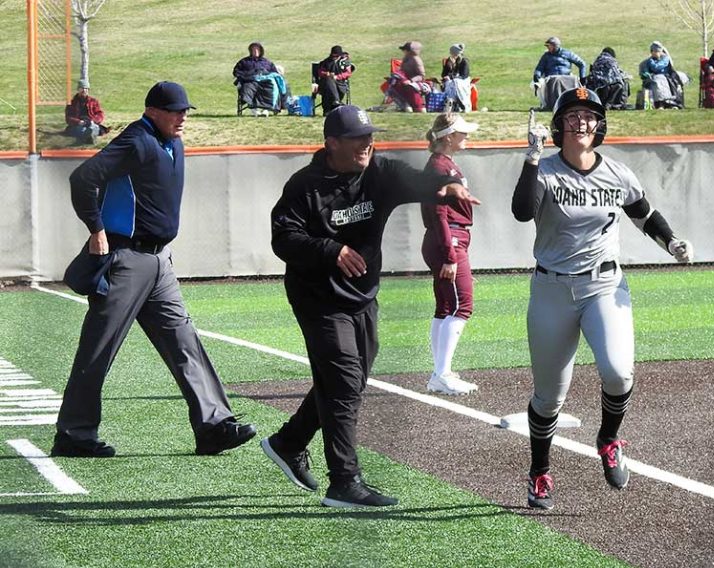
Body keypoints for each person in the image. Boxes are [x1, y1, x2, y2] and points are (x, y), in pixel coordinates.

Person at [263, 105, 480, 508]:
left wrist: (446, 185)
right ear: (332, 143)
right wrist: (330, 249)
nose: (367, 144)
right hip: (317, 298)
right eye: (357, 139)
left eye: (369, 137)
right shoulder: (304, 186)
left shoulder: (380, 173)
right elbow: (283, 239)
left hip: (362, 296)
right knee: (344, 381)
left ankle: (288, 442)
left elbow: (420, 180)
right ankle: (343, 481)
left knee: (348, 379)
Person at [51, 81, 257, 458]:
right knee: (99, 348)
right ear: (153, 111)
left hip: (160, 263)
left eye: (185, 111)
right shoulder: (136, 141)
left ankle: (213, 426)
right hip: (126, 260)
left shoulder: (171, 142)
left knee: (184, 340)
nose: (182, 118)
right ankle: (74, 434)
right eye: (176, 111)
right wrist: (96, 229)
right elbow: (83, 178)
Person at [511, 87, 693, 510]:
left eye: (589, 115)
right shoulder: (545, 170)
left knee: (618, 373)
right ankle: (539, 472)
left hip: (604, 285)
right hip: (552, 288)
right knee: (548, 397)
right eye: (573, 115)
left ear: (600, 125)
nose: (582, 122)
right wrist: (531, 157)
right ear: (560, 125)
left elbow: (643, 212)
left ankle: (609, 439)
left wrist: (671, 242)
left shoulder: (617, 172)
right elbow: (522, 211)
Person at [421, 113, 481, 396]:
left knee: (446, 306)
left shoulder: (443, 165)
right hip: (449, 239)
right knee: (461, 306)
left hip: (451, 239)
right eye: (462, 133)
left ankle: (440, 372)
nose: (466, 136)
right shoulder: (439, 168)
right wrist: (449, 255)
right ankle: (441, 373)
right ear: (448, 137)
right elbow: (439, 213)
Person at [532, 37, 587, 111]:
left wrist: (582, 77)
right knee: (556, 79)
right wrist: (536, 75)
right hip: (552, 78)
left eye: (549, 46)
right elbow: (539, 68)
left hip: (566, 76)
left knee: (573, 80)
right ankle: (553, 104)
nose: (548, 48)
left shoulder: (567, 54)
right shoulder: (546, 56)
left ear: (555, 46)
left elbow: (582, 64)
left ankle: (573, 103)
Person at [233, 42, 287, 115]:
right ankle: (254, 108)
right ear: (250, 51)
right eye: (254, 50)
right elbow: (236, 72)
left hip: (265, 81)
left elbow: (274, 73)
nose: (256, 51)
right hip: (250, 80)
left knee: (270, 87)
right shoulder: (244, 62)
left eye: (257, 50)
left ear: (261, 51)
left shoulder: (267, 62)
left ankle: (266, 109)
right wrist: (247, 76)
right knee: (249, 87)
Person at [639, 41, 685, 109]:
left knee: (660, 82)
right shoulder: (648, 61)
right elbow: (645, 70)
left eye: (657, 51)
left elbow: (656, 67)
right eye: (653, 52)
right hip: (653, 79)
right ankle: (660, 104)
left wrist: (651, 62)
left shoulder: (665, 58)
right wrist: (646, 74)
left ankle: (671, 104)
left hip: (666, 77)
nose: (655, 53)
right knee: (655, 82)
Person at [64, 79, 109, 145]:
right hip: (78, 124)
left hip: (91, 123)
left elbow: (100, 114)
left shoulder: (94, 101)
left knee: (94, 127)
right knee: (81, 130)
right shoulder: (72, 103)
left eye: (86, 88)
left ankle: (89, 135)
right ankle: (88, 137)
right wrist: (78, 122)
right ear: (78, 89)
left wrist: (93, 120)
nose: (84, 90)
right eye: (82, 88)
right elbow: (68, 118)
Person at [388, 41, 429, 112]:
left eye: (405, 50)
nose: (403, 51)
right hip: (404, 81)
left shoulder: (416, 60)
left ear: (409, 51)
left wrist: (411, 81)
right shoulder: (406, 59)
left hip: (416, 82)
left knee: (410, 87)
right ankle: (405, 104)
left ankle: (415, 107)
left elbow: (421, 76)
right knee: (393, 85)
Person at [315, 45, 355, 115]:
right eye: (333, 56)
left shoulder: (345, 62)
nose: (334, 58)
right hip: (325, 85)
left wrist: (337, 77)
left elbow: (348, 73)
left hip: (340, 85)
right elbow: (320, 72)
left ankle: (327, 109)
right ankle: (336, 101)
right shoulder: (326, 62)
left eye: (336, 56)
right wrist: (326, 74)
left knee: (329, 84)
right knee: (328, 80)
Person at [441, 43, 472, 112]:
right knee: (449, 83)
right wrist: (449, 70)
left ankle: (463, 105)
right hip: (453, 80)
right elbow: (443, 74)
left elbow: (464, 75)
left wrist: (452, 77)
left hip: (463, 81)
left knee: (456, 83)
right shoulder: (449, 61)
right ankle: (451, 105)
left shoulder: (464, 61)